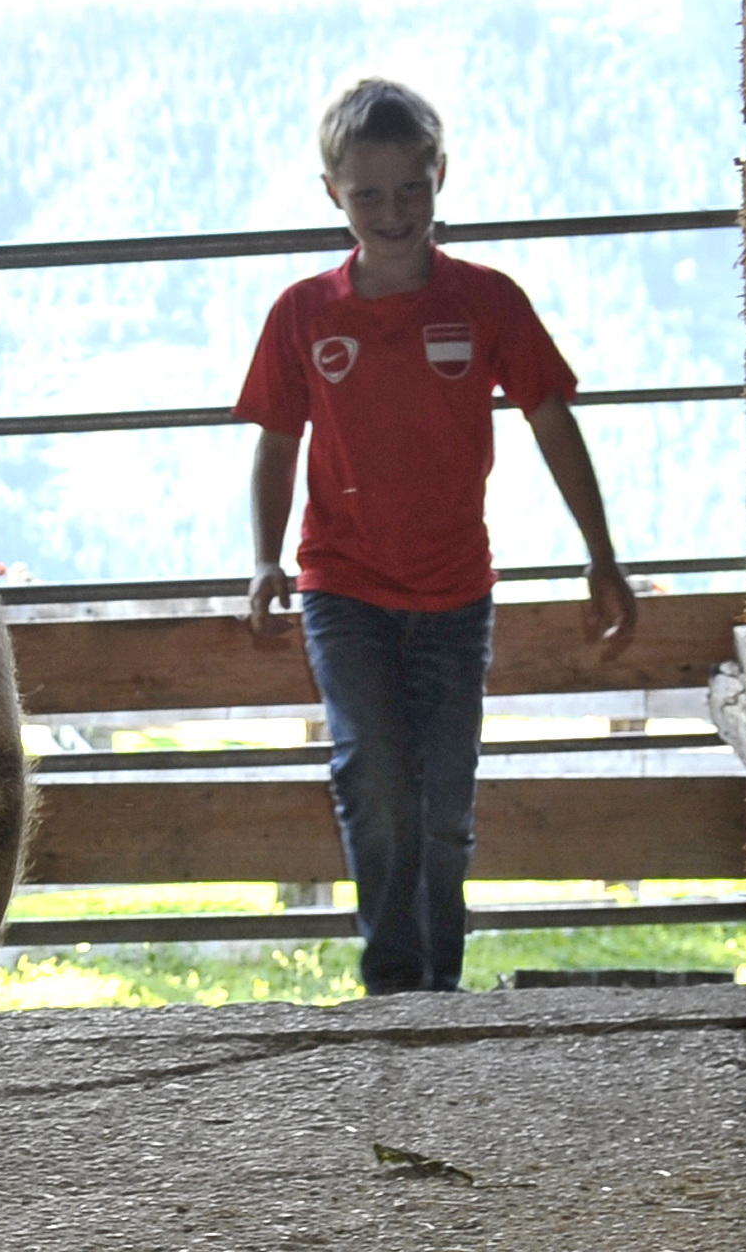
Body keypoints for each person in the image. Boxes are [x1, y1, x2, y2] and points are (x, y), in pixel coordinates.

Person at [235, 78, 636, 996]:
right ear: (332, 193)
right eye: (368, 193)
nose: (393, 211)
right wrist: (264, 557)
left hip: (456, 594)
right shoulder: (304, 313)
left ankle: (439, 998)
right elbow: (275, 440)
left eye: (411, 187)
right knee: (374, 782)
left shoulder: (488, 302)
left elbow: (551, 418)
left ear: (441, 177)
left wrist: (601, 555)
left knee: (444, 806)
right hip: (343, 590)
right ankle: (394, 990)